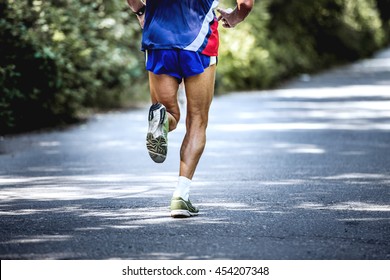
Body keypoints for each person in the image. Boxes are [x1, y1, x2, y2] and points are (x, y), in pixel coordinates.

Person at [126, 0, 254, 218]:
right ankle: (180, 197)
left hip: (159, 36)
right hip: (200, 40)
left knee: (168, 111)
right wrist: (235, 17)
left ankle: (163, 119)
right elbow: (246, 4)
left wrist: (140, 10)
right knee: (197, 120)